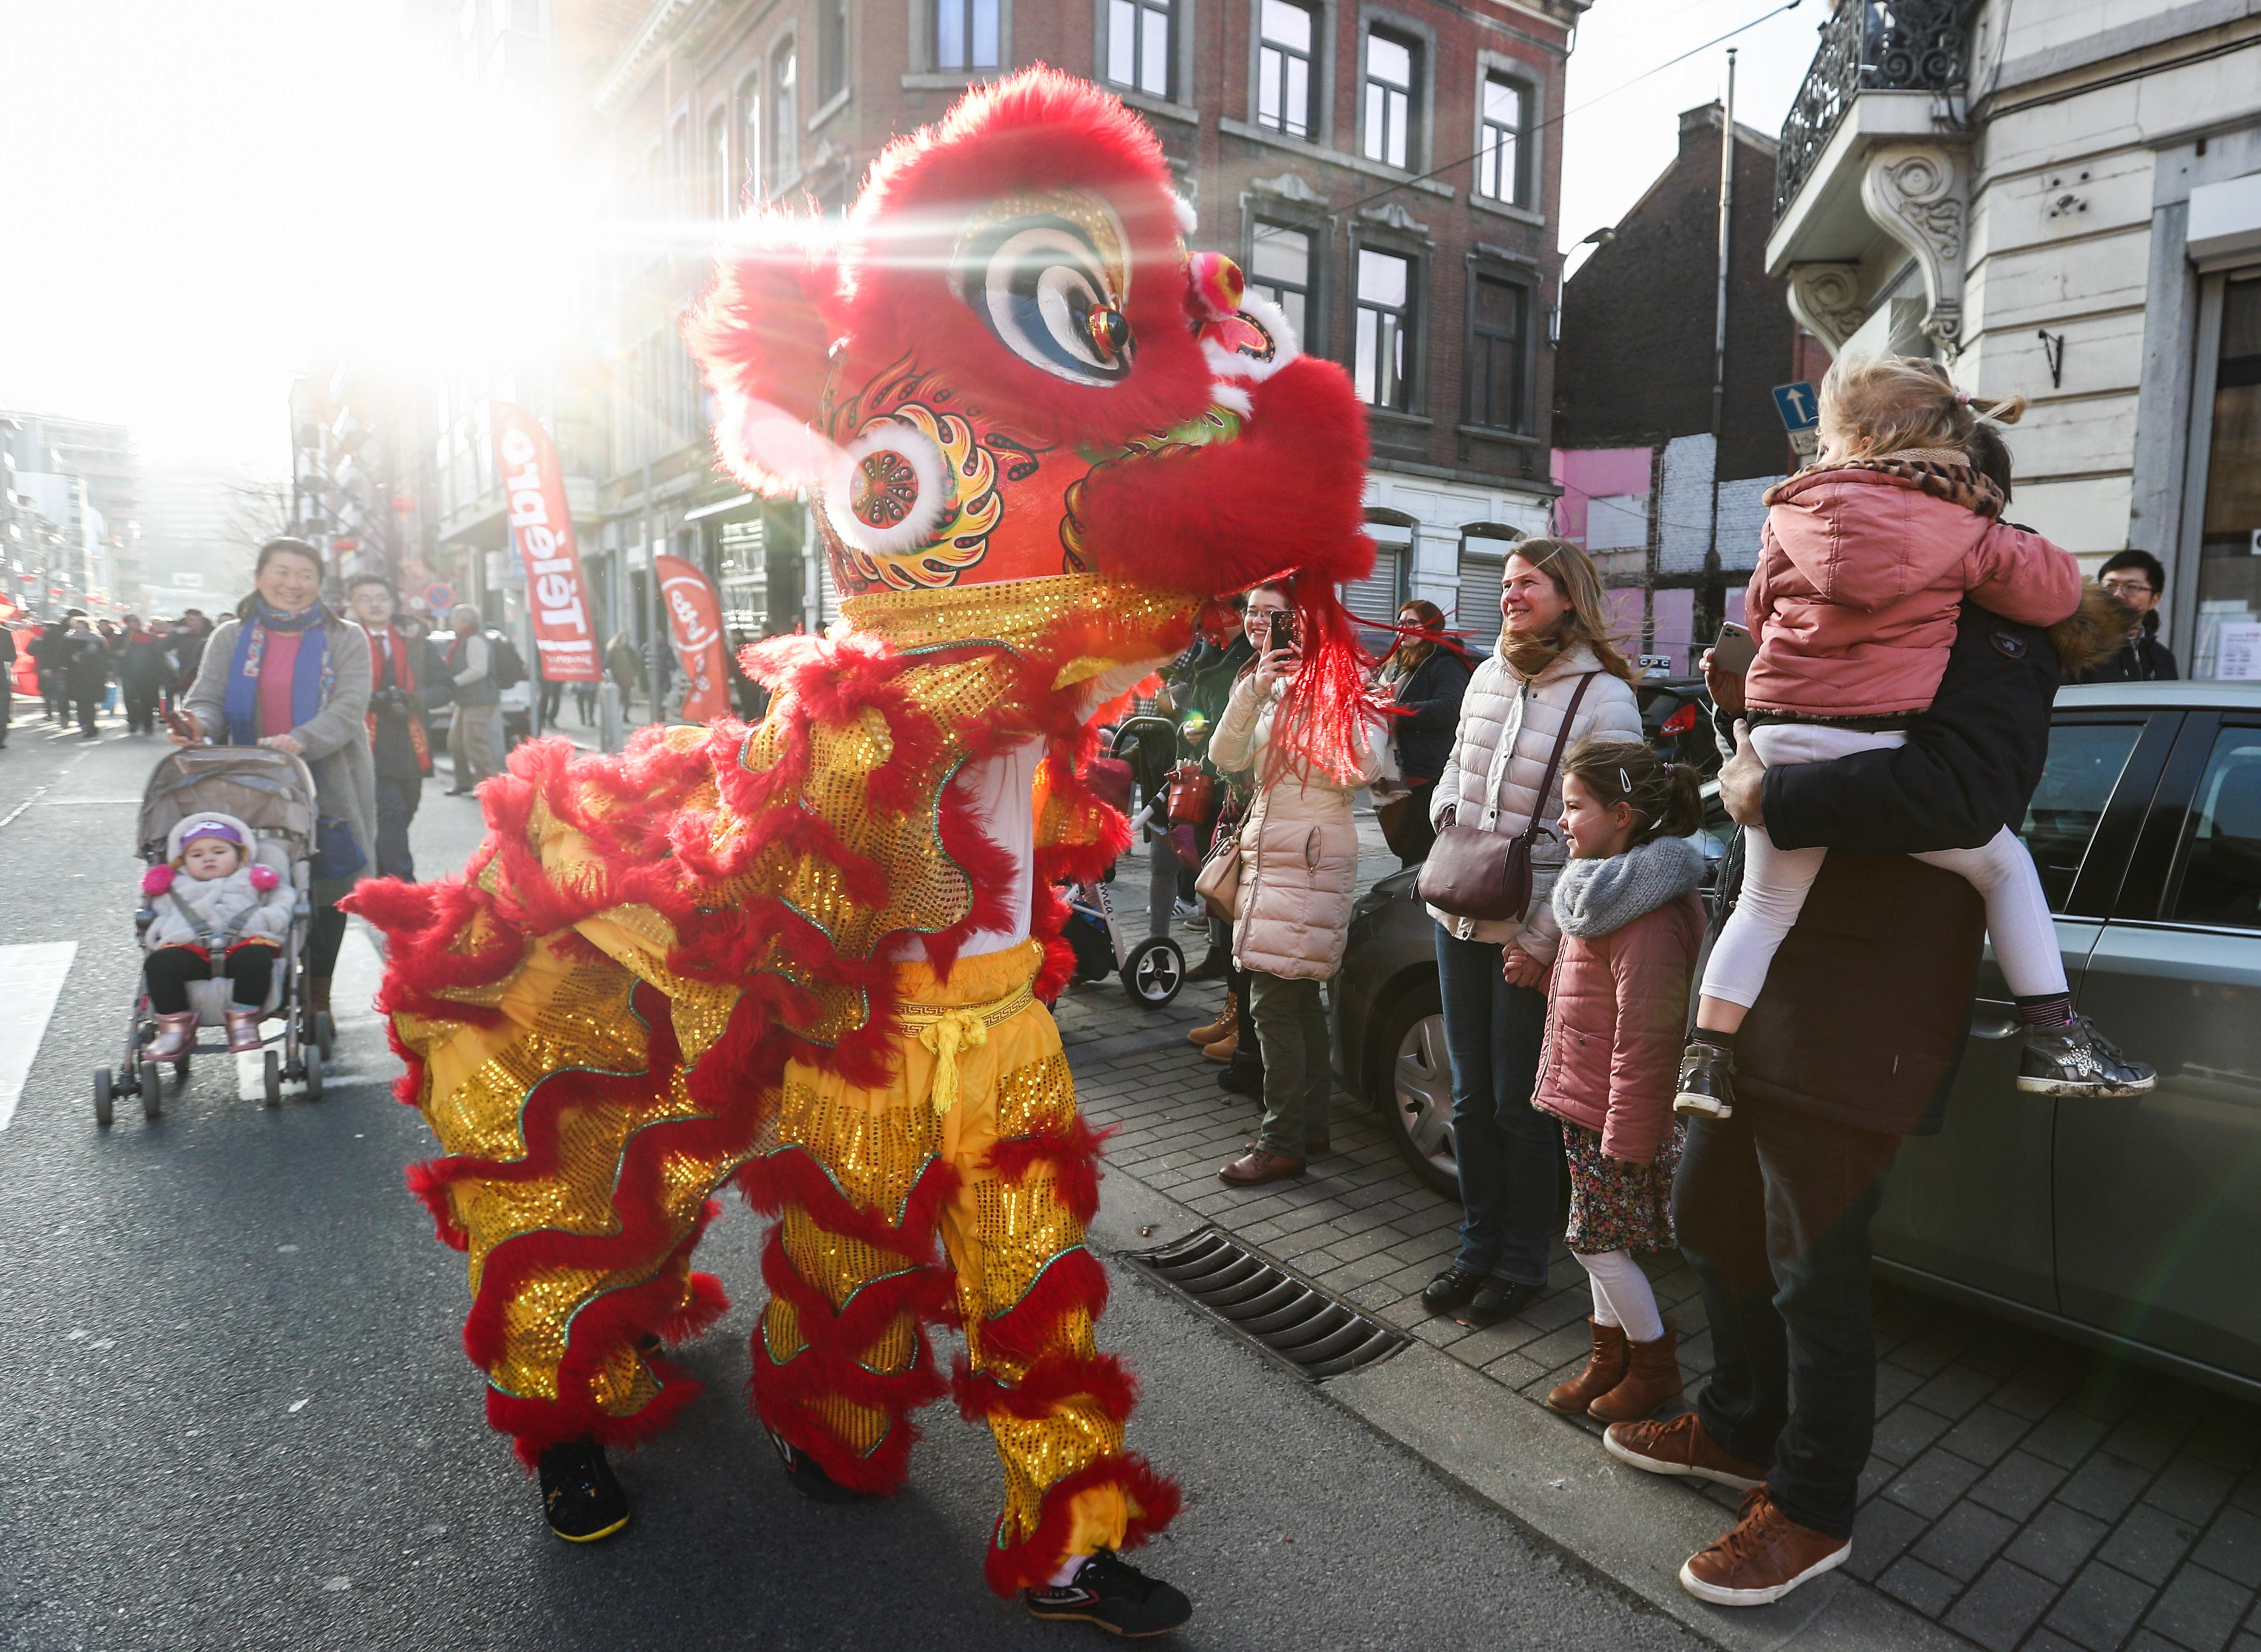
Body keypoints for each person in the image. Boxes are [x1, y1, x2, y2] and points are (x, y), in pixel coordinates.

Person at [1598, 429, 2129, 1608]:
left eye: (1880, 465)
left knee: (1814, 1267)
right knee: (1711, 1216)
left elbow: (1965, 792)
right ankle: (1741, 1424)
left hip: (1868, 1005)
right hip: (1768, 986)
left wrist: (1772, 789)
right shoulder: (1859, 594)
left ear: (1949, 489)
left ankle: (1814, 1502)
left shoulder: (1998, 630)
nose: (1855, 483)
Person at [1676, 355, 2152, 1119]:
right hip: (1872, 742)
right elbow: (2057, 587)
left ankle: (1703, 1058)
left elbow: (1758, 619)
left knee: (1762, 908)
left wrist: (1752, 683)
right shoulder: (1960, 532)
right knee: (2004, 865)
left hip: (1780, 736)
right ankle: (2057, 1036)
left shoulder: (1790, 514)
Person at [1421, 539, 1644, 1327]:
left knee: (1521, 1105)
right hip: (1458, 910)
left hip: (1532, 927)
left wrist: (1545, 935)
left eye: (1528, 584)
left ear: (1568, 595)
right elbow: (1454, 766)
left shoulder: (1603, 697)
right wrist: (1446, 821)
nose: (1511, 595)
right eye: (1508, 584)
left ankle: (1521, 1263)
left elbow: (1612, 836)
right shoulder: (1487, 671)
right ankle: (1475, 1248)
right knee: (1472, 1097)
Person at [1530, 737, 1706, 1424]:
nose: (1563, 820)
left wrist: (1629, 1137)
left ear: (1624, 813)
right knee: (1606, 1235)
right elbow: (1597, 996)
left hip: (1617, 1115)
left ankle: (1655, 1365)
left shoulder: (1646, 909)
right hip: (1589, 1099)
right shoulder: (1604, 886)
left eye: (1575, 806)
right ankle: (1611, 1359)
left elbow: (1649, 1033)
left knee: (1594, 1241)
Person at [1210, 578, 1387, 1186]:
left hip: (1309, 850)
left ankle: (1281, 1139)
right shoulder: (1262, 679)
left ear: (1305, 621)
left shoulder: (1341, 679)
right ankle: (1308, 1126)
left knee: (1274, 1002)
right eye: (1251, 611)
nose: (1257, 622)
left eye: (1272, 614)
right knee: (1297, 997)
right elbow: (1225, 756)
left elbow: (1364, 765)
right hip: (1273, 844)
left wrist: (1319, 698)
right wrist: (1258, 687)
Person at [176, 537, 376, 1019]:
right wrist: (197, 724)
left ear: (319, 585)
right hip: (247, 782)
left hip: (330, 779)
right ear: (260, 577)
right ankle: (259, 979)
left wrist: (302, 739)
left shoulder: (345, 636)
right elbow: (209, 697)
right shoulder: (230, 637)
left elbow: (350, 708)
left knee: (329, 886)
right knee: (255, 878)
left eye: (305, 575)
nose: (293, 584)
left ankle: (319, 993)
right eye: (282, 572)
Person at [139, 813, 295, 1058]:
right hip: (191, 951)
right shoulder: (176, 887)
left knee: (257, 958)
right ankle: (174, 1028)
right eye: (197, 855)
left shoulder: (255, 879)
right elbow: (159, 916)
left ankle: (244, 1021)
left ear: (241, 855)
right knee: (160, 963)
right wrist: (164, 930)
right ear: (183, 861)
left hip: (242, 946)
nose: (208, 858)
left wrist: (264, 920)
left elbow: (283, 903)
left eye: (219, 852)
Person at [348, 575, 447, 880]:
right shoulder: (343, 640)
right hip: (365, 740)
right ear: (353, 605)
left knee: (405, 811)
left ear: (393, 603)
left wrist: (412, 699)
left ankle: (379, 873)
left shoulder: (414, 641)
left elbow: (445, 687)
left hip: (409, 741)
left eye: (381, 597)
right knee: (389, 812)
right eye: (365, 598)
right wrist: (366, 700)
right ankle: (404, 888)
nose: (374, 604)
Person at [1372, 598, 1472, 866]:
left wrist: (1396, 711)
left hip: (1422, 775)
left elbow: (1451, 708)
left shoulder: (1444, 663)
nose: (1403, 628)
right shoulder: (1394, 664)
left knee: (1419, 854)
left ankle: (1418, 903)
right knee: (1403, 848)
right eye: (1400, 623)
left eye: (1412, 623)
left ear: (1430, 626)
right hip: (1391, 773)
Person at [2073, 549, 2178, 682]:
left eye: (2132, 587)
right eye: (2110, 586)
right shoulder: (2078, 645)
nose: (2118, 594)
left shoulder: (2162, 658)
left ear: (2154, 600)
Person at [442, 604, 505, 793]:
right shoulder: (464, 639)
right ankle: (463, 783)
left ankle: (491, 785)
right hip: (467, 699)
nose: (452, 622)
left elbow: (479, 670)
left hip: (480, 699)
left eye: (454, 618)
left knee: (474, 741)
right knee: (456, 743)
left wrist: (454, 682)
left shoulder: (474, 640)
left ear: (463, 621)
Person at [119, 615, 173, 736]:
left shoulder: (150, 637)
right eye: (131, 622)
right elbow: (112, 653)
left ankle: (148, 724)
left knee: (147, 699)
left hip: (148, 673)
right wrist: (119, 654)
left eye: (136, 621)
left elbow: (159, 655)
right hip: (129, 673)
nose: (134, 624)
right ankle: (133, 721)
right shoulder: (122, 638)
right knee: (130, 698)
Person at [63, 615, 112, 739]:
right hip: (76, 675)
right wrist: (71, 659)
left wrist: (85, 658)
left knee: (89, 702)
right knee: (80, 702)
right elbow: (62, 656)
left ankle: (90, 726)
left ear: (88, 628)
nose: (80, 630)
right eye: (77, 627)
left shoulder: (97, 640)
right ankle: (84, 724)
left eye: (82, 628)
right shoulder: (69, 639)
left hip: (93, 676)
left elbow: (104, 658)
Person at [604, 628, 646, 722]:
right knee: (618, 697)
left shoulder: (630, 651)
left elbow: (636, 663)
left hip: (628, 677)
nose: (625, 641)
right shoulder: (613, 650)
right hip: (616, 677)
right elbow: (608, 663)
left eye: (626, 639)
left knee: (627, 697)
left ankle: (625, 715)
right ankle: (616, 716)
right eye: (623, 639)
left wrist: (635, 673)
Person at [0, 621, 15, 749]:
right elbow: (11, 656)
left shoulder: (4, 633)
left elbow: (11, 656)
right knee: (2, 708)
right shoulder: (4, 633)